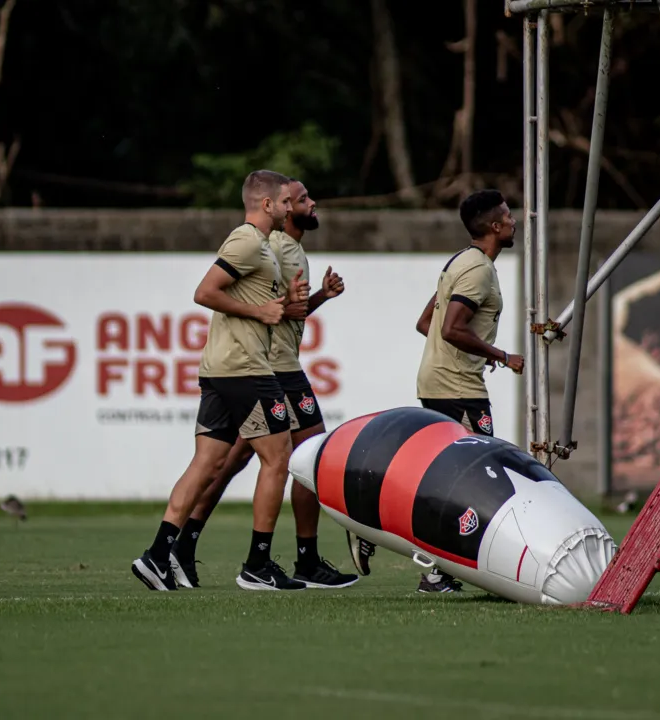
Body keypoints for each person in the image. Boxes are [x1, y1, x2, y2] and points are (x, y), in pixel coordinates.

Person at [168, 178, 358, 590]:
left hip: (272, 365)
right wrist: (292, 305)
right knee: (307, 457)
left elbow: (287, 308)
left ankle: (180, 547)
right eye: (301, 199)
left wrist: (319, 297)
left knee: (229, 460)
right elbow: (275, 308)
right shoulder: (274, 247)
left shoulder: (287, 248)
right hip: (274, 367)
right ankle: (293, 560)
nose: (310, 203)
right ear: (283, 208)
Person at [131, 169, 310, 591]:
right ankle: (258, 565)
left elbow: (256, 303)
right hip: (245, 369)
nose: (290, 208)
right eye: (285, 202)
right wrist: (262, 312)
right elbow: (205, 291)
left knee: (208, 463)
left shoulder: (262, 247)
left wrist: (288, 305)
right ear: (267, 204)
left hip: (223, 369)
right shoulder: (247, 240)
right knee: (279, 456)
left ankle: (157, 557)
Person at [346, 188, 524, 593]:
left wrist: (455, 352)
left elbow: (427, 321)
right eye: (509, 216)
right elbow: (448, 327)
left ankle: (437, 572)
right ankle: (416, 559)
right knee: (477, 478)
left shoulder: (459, 262)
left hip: (444, 379)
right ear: (495, 227)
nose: (515, 221)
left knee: (450, 476)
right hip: (457, 386)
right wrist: (501, 355)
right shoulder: (477, 270)